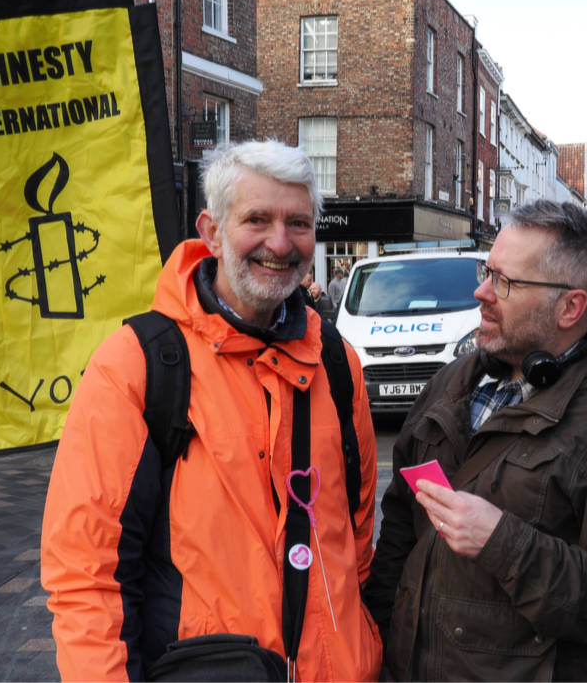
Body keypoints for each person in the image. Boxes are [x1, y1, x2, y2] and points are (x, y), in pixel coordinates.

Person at [40, 140, 382, 681]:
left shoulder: (337, 363)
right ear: (211, 230)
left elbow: (356, 537)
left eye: (298, 222)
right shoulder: (138, 366)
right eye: (257, 220)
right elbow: (88, 575)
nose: (280, 242)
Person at [364, 201, 587, 681]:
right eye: (489, 272)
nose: (481, 291)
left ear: (570, 307)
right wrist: (376, 646)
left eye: (505, 282)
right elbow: (401, 530)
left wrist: (504, 543)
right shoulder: (450, 383)